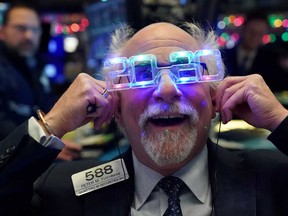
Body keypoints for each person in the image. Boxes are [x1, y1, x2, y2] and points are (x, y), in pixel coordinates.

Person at [0, 22, 288, 216]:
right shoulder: (61, 191)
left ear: (215, 97)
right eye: (141, 74)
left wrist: (281, 119)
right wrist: (52, 124)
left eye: (187, 71)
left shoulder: (273, 180)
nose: (166, 90)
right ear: (115, 104)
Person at [0, 2, 81, 160]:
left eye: (34, 29)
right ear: (2, 32)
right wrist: (41, 144)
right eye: (20, 28)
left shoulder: (36, 64)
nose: (29, 36)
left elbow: (46, 103)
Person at [221, 11, 288, 92]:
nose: (255, 36)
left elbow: (281, 86)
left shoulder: (271, 59)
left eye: (260, 33)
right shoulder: (223, 55)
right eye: (251, 31)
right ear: (243, 30)